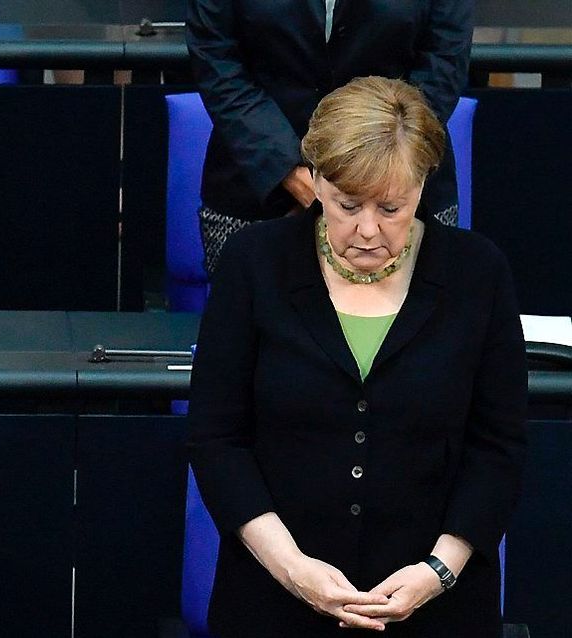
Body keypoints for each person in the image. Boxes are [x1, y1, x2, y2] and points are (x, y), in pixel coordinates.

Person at [188, 77, 527, 637]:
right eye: (347, 205)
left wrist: (437, 571)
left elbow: (498, 447)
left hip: (438, 606)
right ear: (314, 181)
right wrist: (294, 571)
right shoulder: (255, 263)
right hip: (274, 601)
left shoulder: (478, 273)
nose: (368, 231)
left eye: (391, 208)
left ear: (423, 186)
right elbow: (217, 438)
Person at [187, 0, 473, 275]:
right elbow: (216, 58)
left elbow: (443, 65)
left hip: (397, 187)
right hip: (259, 182)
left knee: (415, 320)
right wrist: (288, 170)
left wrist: (362, 182)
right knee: (251, 318)